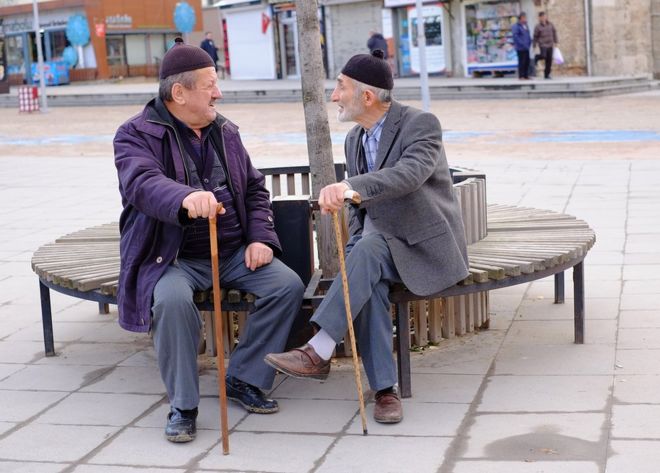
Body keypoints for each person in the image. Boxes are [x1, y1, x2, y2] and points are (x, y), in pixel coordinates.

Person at [113, 38, 304, 443]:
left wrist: (260, 238)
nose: (219, 92)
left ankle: (244, 376)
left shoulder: (224, 130)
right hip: (170, 258)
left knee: (286, 285)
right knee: (172, 301)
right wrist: (184, 196)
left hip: (233, 251)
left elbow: (254, 189)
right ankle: (183, 404)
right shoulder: (135, 134)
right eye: (210, 84)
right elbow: (142, 184)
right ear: (179, 93)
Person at [264, 50, 469, 424]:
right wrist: (356, 234)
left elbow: (409, 175)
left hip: (423, 246)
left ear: (367, 96)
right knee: (368, 266)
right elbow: (362, 214)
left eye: (340, 87)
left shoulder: (421, 124)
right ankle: (386, 391)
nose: (334, 96)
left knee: (370, 253)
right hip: (377, 249)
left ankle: (319, 349)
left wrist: (348, 186)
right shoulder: (354, 140)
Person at [533, 12, 558, 79]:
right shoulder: (537, 26)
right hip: (543, 44)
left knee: (549, 60)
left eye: (545, 16)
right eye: (542, 17)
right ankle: (537, 57)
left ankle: (547, 74)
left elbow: (554, 32)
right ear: (540, 18)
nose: (544, 18)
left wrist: (556, 41)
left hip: (550, 44)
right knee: (544, 56)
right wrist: (534, 44)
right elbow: (535, 36)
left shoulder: (550, 24)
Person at [512, 12, 532, 80]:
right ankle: (521, 76)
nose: (525, 19)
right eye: (524, 17)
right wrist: (522, 43)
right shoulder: (516, 26)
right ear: (521, 18)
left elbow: (528, 34)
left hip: (526, 47)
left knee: (527, 61)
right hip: (520, 47)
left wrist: (529, 42)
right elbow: (516, 36)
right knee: (522, 61)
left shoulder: (525, 25)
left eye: (525, 17)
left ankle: (526, 75)